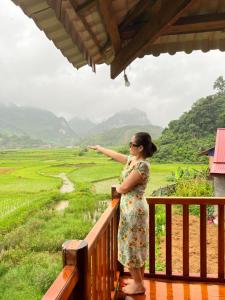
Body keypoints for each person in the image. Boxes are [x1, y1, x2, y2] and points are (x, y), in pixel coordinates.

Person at [89, 132, 157, 295]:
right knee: (135, 244)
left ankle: (139, 285)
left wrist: (117, 188)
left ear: (140, 148)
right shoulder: (133, 161)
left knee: (133, 246)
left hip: (134, 210)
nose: (129, 147)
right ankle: (138, 281)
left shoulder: (142, 165)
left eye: (132, 145)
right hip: (131, 209)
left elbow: (125, 187)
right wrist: (100, 148)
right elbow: (116, 155)